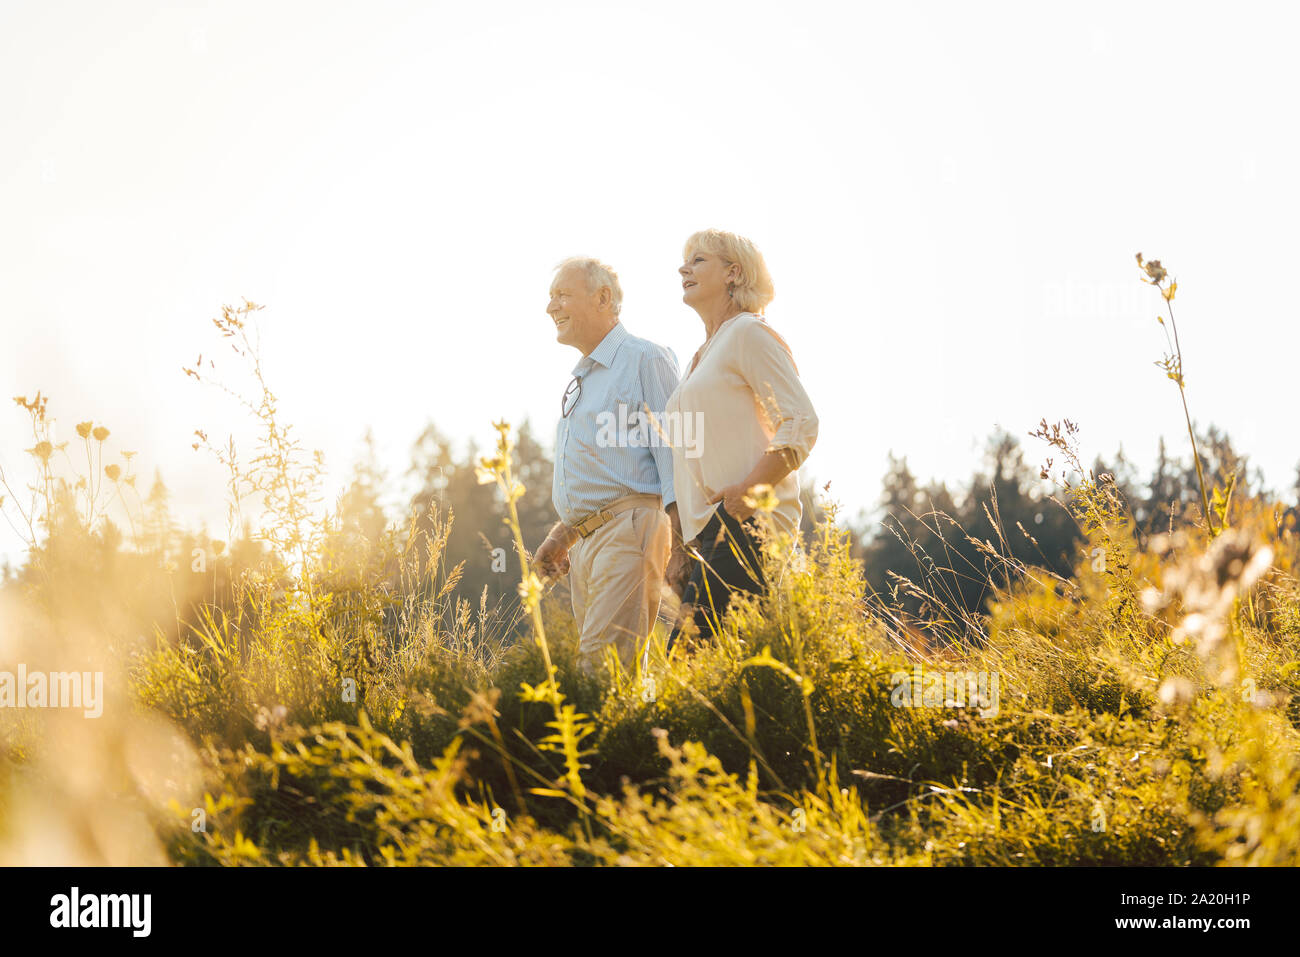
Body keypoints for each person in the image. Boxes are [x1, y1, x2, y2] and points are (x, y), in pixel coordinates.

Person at [532, 256, 688, 674]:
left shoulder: (645, 359)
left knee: (599, 672)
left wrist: (682, 547)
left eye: (562, 295)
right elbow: (605, 472)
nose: (551, 307)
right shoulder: (584, 377)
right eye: (550, 298)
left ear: (603, 298)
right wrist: (562, 535)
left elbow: (674, 456)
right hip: (586, 543)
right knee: (610, 674)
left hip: (629, 532)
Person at [664, 229, 819, 650]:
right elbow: (688, 458)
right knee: (734, 673)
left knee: (686, 666)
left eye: (698, 260)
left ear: (734, 272)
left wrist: (748, 493)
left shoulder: (750, 333)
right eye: (685, 260)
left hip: (747, 524)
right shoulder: (700, 357)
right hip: (708, 537)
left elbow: (801, 421)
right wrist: (681, 545)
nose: (683, 268)